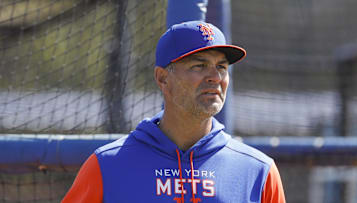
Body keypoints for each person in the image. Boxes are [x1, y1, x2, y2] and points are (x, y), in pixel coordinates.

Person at [62, 21, 286, 203]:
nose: (215, 77)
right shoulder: (106, 166)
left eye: (221, 67)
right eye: (198, 66)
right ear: (162, 78)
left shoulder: (259, 171)